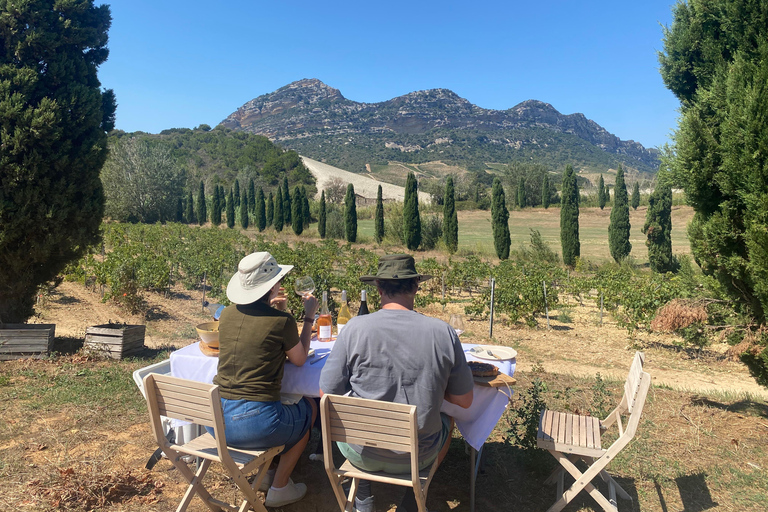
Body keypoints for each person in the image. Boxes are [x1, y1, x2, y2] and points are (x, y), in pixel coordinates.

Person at [319, 254, 474, 512]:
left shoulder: (354, 329)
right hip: (418, 455)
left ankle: (363, 496)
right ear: (415, 287)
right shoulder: (442, 332)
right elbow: (465, 401)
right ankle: (413, 499)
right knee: (448, 421)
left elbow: (326, 393)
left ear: (378, 288)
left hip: (361, 453)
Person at [213, 252, 318, 507]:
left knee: (284, 407)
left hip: (216, 422)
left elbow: (255, 341)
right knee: (308, 409)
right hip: (257, 425)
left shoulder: (226, 315)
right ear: (272, 286)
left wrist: (279, 313)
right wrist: (308, 317)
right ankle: (280, 486)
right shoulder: (281, 321)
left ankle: (267, 473)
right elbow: (300, 359)